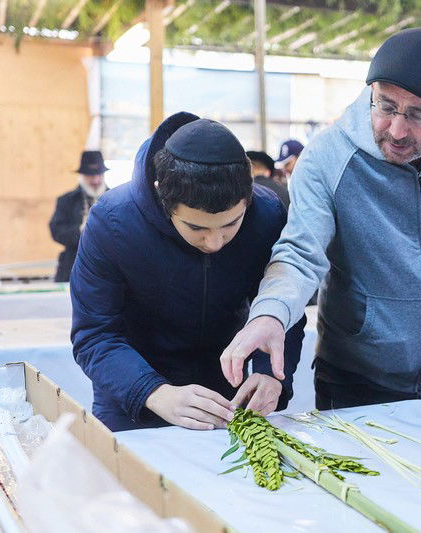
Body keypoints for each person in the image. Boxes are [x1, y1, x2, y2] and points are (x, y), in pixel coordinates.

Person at [220, 28, 421, 410]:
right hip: (356, 380)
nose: (397, 129)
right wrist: (271, 315)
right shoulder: (328, 156)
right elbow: (299, 254)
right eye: (386, 106)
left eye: (418, 114)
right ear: (371, 91)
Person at [70, 114, 305, 431]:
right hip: (133, 400)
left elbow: (282, 307)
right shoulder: (113, 222)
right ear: (163, 199)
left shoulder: (266, 215)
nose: (215, 242)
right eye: (196, 228)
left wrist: (270, 372)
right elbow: (94, 335)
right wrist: (154, 392)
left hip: (226, 398)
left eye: (231, 224)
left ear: (247, 198)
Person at [49, 150, 109, 282]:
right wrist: (80, 230)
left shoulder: (115, 199)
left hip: (108, 268)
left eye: (98, 175)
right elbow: (56, 231)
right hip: (73, 267)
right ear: (82, 175)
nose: (95, 180)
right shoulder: (67, 201)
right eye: (90, 175)